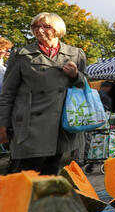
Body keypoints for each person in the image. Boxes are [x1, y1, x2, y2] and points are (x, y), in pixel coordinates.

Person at [0, 12, 87, 175]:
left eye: (46, 26)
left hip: (61, 125)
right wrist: (3, 124)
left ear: (57, 29)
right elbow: (7, 93)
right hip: (30, 126)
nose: (39, 30)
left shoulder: (76, 54)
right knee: (25, 174)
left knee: (51, 173)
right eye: (36, 26)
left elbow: (85, 86)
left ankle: (45, 200)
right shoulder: (21, 55)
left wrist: (76, 75)